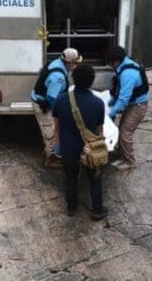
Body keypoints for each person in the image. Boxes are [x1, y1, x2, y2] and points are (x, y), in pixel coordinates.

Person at [51, 64, 106, 219]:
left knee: (70, 178)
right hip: (89, 149)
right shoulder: (98, 103)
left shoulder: (61, 100)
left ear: (73, 79)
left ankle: (71, 208)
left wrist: (58, 146)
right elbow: (99, 131)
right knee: (95, 178)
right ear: (92, 81)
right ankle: (97, 210)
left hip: (68, 148)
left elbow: (57, 127)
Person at [31, 48, 82, 167]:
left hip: (40, 99)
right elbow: (51, 97)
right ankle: (51, 159)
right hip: (43, 105)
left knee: (48, 130)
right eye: (75, 63)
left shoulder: (57, 63)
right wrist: (60, 112)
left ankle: (48, 150)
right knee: (51, 133)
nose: (76, 65)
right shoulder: (58, 76)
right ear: (69, 62)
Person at [107, 46, 149, 170]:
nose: (109, 66)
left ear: (116, 61)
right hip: (133, 103)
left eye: (110, 63)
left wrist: (110, 114)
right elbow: (120, 92)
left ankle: (129, 161)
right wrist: (112, 101)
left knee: (125, 132)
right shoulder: (125, 64)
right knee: (122, 129)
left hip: (138, 106)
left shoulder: (128, 74)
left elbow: (123, 99)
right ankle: (122, 154)